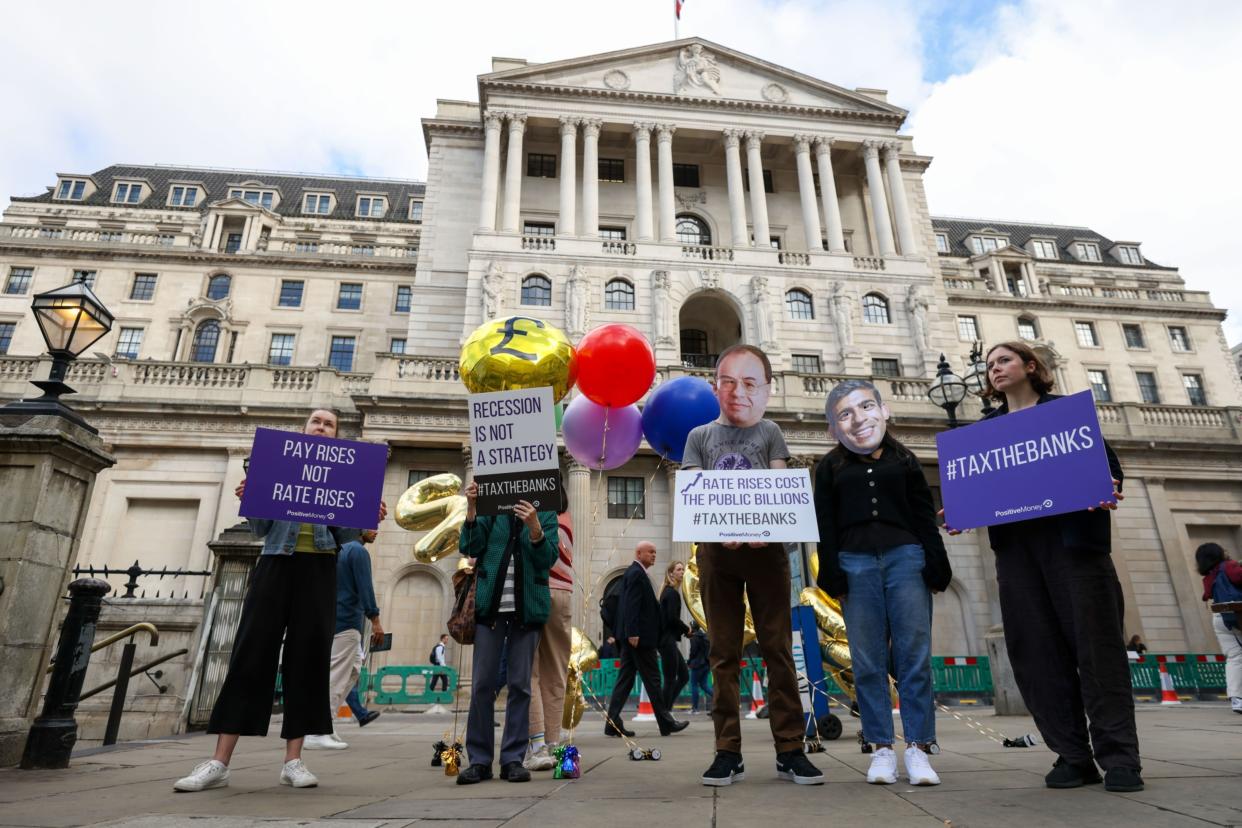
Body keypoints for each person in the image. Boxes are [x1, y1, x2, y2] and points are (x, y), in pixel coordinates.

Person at [951, 341, 1142, 793]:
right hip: (1018, 554)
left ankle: (1120, 758)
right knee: (1036, 654)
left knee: (1098, 653)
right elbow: (979, 488)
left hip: (1075, 549)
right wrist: (961, 511)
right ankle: (1072, 755)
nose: (994, 369)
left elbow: (1109, 466)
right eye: (989, 365)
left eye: (1004, 361)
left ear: (1030, 367)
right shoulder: (986, 430)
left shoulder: (1066, 415)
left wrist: (1109, 482)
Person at [174, 409, 387, 792]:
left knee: (307, 661)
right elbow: (259, 529)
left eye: (329, 425)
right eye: (315, 422)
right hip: (275, 563)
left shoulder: (342, 475)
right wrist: (251, 497)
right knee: (250, 655)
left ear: (335, 437)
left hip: (320, 571)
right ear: (304, 430)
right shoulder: (281, 464)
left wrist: (368, 516)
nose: (321, 427)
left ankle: (294, 761)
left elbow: (345, 535)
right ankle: (219, 762)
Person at [682, 344, 823, 787]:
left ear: (763, 389)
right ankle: (727, 751)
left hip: (767, 554)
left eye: (748, 382)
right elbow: (691, 493)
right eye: (728, 381)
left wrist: (770, 526)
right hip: (717, 555)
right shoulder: (699, 437)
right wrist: (716, 528)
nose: (737, 391)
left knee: (778, 649)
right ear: (715, 387)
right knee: (723, 654)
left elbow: (782, 488)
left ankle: (790, 749)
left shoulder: (771, 433)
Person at [814, 379, 951, 786]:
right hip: (854, 564)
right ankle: (880, 748)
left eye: (866, 407)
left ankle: (919, 748)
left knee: (914, 656)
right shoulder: (829, 467)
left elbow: (923, 514)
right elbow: (825, 522)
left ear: (882, 411)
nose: (858, 419)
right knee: (868, 660)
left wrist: (936, 560)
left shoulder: (905, 460)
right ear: (835, 426)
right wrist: (831, 570)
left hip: (905, 559)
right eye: (845, 413)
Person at [455, 482, 558, 785]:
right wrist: (472, 509)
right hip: (490, 608)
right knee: (483, 685)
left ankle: (513, 758)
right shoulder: (491, 504)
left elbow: (547, 560)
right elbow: (471, 548)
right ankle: (480, 760)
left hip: (527, 610)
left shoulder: (546, 508)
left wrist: (536, 529)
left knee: (520, 685)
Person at [306, 528, 384, 750]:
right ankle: (317, 730)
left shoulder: (336, 550)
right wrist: (375, 618)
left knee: (352, 670)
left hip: (333, 618)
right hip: (347, 620)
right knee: (337, 676)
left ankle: (325, 724)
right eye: (371, 526)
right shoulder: (358, 551)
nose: (376, 531)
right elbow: (365, 587)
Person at [604, 542, 690, 739]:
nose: (654, 555)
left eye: (655, 552)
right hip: (639, 638)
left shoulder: (636, 573)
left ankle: (612, 722)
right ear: (639, 553)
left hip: (634, 638)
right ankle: (666, 722)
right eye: (650, 552)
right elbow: (631, 605)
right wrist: (633, 632)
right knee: (653, 679)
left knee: (625, 681)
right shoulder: (636, 573)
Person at [525, 490, 574, 772]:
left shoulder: (537, 515)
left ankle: (537, 743)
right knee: (556, 671)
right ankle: (555, 742)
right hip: (563, 593)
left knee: (529, 671)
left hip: (537, 590)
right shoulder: (566, 516)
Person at [1196, 542, 1242, 714]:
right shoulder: (1228, 566)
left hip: (1219, 617)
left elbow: (1206, 595)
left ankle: (1237, 699)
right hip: (1237, 615)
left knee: (1234, 657)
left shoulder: (1208, 575)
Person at [658, 561, 691, 713]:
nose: (682, 571)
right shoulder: (671, 593)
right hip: (667, 641)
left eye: (683, 569)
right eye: (678, 569)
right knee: (670, 679)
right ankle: (664, 714)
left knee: (683, 676)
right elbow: (671, 618)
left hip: (669, 640)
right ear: (671, 573)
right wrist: (686, 629)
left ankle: (666, 710)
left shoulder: (669, 592)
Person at [687, 622, 712, 714]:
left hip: (697, 664)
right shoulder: (705, 636)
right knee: (704, 685)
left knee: (694, 685)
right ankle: (720, 700)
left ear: (693, 628)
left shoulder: (694, 638)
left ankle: (695, 709)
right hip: (706, 664)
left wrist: (689, 661)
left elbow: (693, 652)